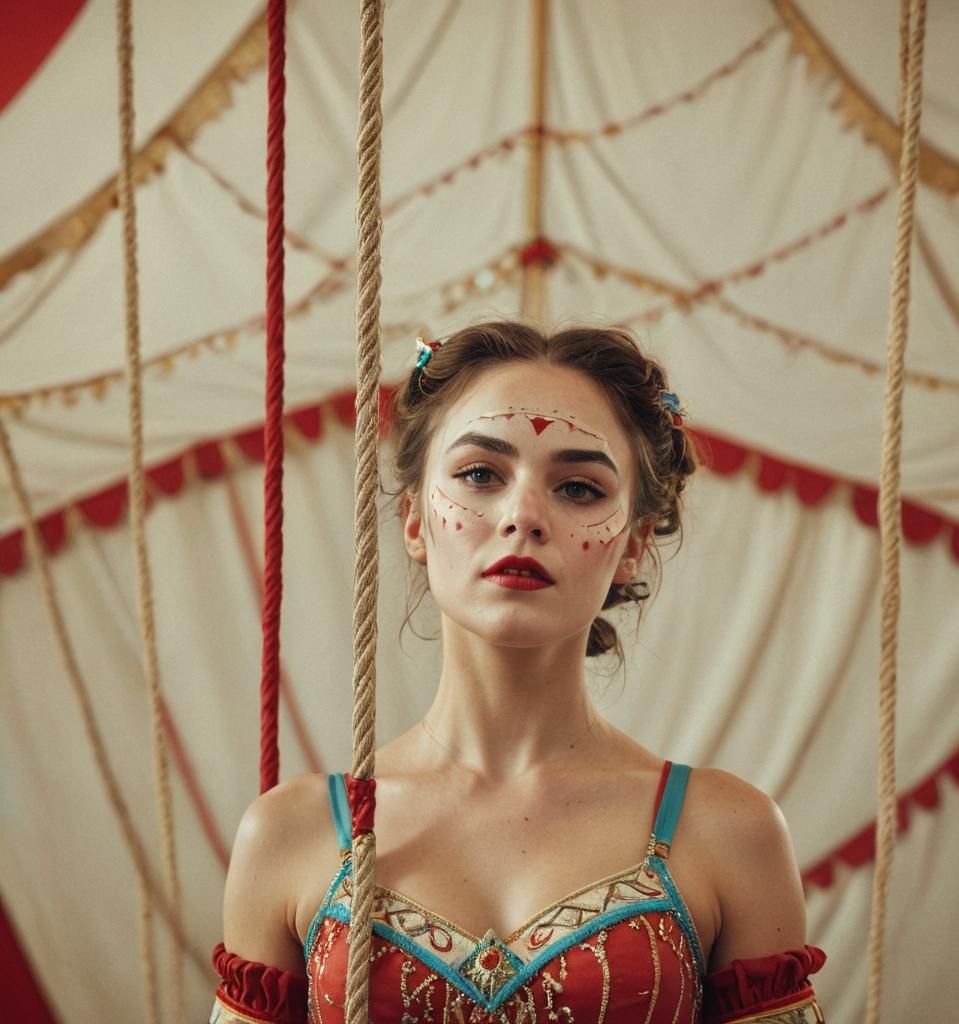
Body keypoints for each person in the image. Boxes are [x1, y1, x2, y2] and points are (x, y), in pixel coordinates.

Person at [211, 321, 826, 1023]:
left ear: (632, 544)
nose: (524, 516)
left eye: (579, 488)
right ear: (413, 520)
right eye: (480, 475)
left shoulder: (727, 833)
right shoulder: (290, 834)